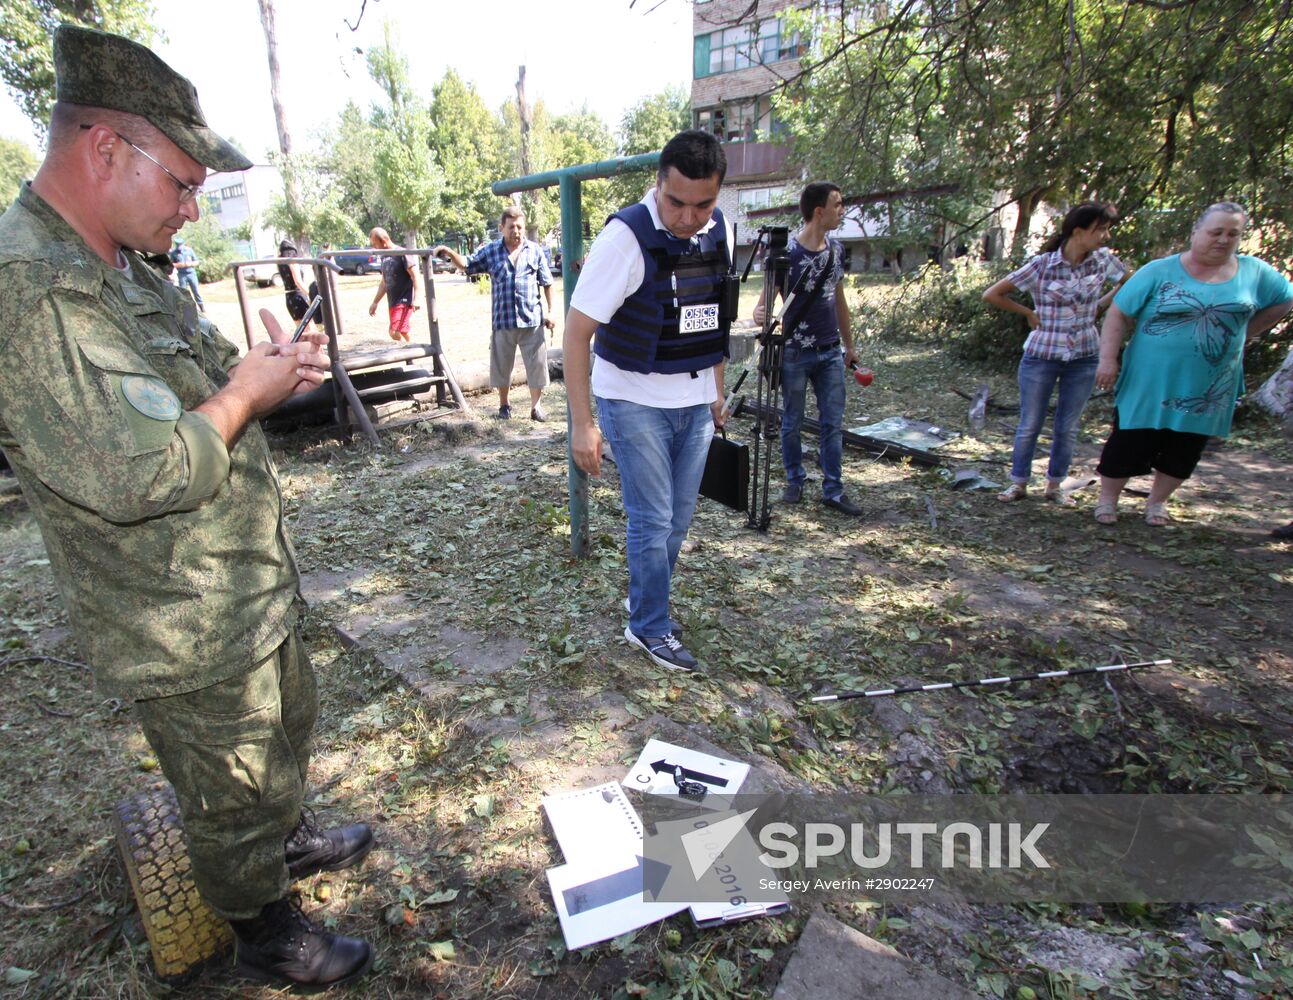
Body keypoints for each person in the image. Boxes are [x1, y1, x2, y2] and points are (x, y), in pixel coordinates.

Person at [0, 26, 375, 989]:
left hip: (235, 588)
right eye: (183, 180)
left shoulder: (119, 264)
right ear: (104, 149)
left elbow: (203, 387)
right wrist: (246, 393)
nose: (194, 204)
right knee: (231, 788)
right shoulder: (35, 292)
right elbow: (148, 468)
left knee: (281, 738)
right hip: (179, 615)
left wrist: (267, 377)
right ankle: (263, 927)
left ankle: (280, 842)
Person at [564, 129, 732, 673]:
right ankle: (649, 627)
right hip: (632, 399)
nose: (689, 217)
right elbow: (574, 333)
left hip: (694, 399)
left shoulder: (717, 230)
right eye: (677, 202)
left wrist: (716, 391)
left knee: (677, 522)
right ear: (657, 183)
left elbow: (713, 318)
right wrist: (582, 424)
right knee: (652, 520)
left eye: (703, 204)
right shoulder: (625, 239)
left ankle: (646, 601)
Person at [1092, 202, 1293, 525]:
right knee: (1130, 439)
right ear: (1195, 232)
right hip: (1149, 377)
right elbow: (1118, 312)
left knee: (1186, 445)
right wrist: (1107, 359)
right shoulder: (1159, 271)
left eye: (1233, 234)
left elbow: (1285, 299)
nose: (1223, 239)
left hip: (1210, 381)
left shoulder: (1254, 272)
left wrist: (1247, 333)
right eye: (1216, 232)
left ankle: (1157, 503)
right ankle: (1107, 500)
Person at [982, 202, 1127, 506]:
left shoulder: (1102, 261)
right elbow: (992, 294)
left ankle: (1054, 485)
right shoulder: (1042, 265)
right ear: (1078, 231)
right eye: (1100, 229)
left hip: (1084, 355)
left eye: (1106, 229)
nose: (1105, 235)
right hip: (1042, 355)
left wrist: (1103, 303)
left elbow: (1131, 282)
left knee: (1068, 425)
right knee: (1030, 423)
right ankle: (1018, 483)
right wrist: (1027, 312)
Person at [753, 181, 863, 516]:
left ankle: (833, 489)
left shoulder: (837, 251)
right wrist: (762, 316)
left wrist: (849, 346)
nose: (841, 210)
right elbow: (762, 307)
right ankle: (794, 479)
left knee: (832, 422)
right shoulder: (785, 254)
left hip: (830, 351)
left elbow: (839, 301)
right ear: (819, 211)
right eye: (838, 204)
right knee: (792, 420)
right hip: (795, 353)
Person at [433, 207, 555, 420]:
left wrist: (552, 312)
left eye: (519, 227)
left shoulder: (535, 251)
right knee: (501, 366)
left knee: (536, 366)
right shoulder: (491, 251)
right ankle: (504, 406)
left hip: (532, 320)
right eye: (511, 227)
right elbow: (468, 264)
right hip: (503, 320)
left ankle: (536, 407)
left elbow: (547, 282)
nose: (516, 231)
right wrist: (449, 252)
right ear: (502, 228)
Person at [366, 227, 419, 343]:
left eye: (375, 244)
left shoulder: (402, 253)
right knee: (403, 331)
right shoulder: (384, 256)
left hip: (404, 301)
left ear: (384, 242)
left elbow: (415, 276)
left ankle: (408, 350)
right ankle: (411, 350)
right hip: (393, 302)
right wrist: (375, 302)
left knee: (394, 332)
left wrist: (417, 299)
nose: (374, 248)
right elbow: (384, 282)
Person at [278, 238, 323, 333]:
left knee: (301, 331)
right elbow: (298, 281)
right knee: (308, 330)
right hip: (298, 296)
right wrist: (310, 294)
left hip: (289, 297)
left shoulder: (280, 263)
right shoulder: (292, 262)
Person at [168, 235, 203, 311]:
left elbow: (197, 261)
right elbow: (171, 264)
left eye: (180, 245)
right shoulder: (174, 253)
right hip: (182, 275)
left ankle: (201, 307)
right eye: (178, 245)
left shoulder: (189, 250)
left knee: (196, 291)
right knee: (184, 292)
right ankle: (188, 309)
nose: (179, 247)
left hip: (191, 273)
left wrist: (190, 264)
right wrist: (179, 265)